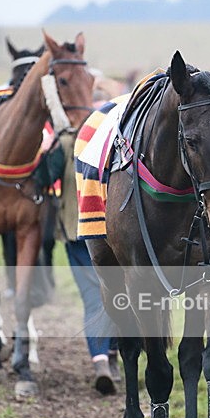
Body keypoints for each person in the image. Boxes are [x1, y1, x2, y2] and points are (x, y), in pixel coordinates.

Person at [55, 132, 120, 395]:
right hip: (100, 232)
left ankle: (104, 358)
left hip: (81, 231)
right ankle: (107, 358)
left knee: (97, 297)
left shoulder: (72, 141)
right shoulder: (117, 135)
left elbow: (46, 181)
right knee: (112, 295)